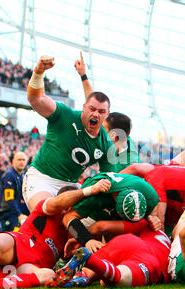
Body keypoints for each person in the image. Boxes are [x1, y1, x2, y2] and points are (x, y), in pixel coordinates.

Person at [0, 181, 110, 289]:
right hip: (16, 247)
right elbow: (58, 203)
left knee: (48, 274)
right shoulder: (47, 209)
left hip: (30, 268)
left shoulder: (73, 229)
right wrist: (89, 190)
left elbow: (71, 258)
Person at [24, 55, 117, 212]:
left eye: (101, 112)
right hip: (42, 179)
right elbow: (36, 99)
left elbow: (110, 179)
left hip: (71, 187)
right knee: (45, 214)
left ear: (107, 115)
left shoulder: (106, 144)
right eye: (92, 109)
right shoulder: (64, 115)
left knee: (80, 223)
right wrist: (39, 71)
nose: (95, 114)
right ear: (84, 107)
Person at [46, 218, 170, 288]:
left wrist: (84, 238)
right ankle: (89, 259)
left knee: (95, 272)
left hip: (125, 242)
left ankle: (81, 276)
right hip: (149, 258)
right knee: (119, 278)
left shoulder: (149, 224)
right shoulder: (170, 245)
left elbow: (102, 226)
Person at [61, 172, 161, 253]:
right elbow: (67, 217)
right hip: (97, 207)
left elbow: (154, 215)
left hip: (115, 212)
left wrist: (152, 218)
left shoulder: (149, 194)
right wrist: (86, 239)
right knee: (78, 231)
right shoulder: (96, 195)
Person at [74, 51, 140, 171]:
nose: (98, 130)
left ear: (114, 136)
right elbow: (93, 102)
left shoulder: (127, 165)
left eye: (103, 129)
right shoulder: (123, 138)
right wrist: (83, 76)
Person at [0, 151, 30, 232]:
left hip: (15, 211)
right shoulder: (9, 176)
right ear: (13, 161)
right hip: (7, 212)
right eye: (19, 160)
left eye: (23, 160)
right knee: (11, 236)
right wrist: (19, 214)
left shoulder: (22, 175)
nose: (21, 162)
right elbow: (9, 198)